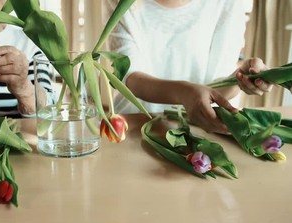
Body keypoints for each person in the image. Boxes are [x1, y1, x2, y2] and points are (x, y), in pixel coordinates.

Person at [106, 0, 272, 134]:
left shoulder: (227, 4)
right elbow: (129, 77)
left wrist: (240, 78)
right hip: (133, 127)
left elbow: (220, 87)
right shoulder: (121, 4)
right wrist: (185, 94)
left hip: (200, 129)